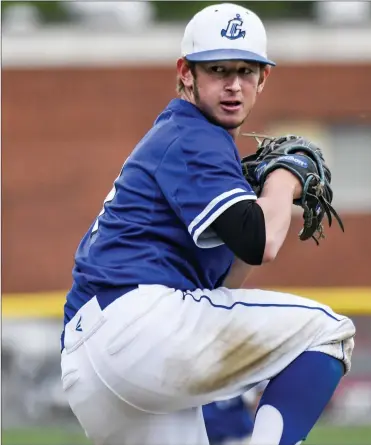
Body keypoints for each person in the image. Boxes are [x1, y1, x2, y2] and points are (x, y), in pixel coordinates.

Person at [60, 3, 356, 444]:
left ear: (263, 79)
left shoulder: (189, 146)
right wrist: (283, 178)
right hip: (138, 325)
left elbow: (230, 279)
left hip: (94, 363)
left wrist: (264, 196)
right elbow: (262, 243)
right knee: (329, 333)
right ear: (186, 73)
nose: (233, 85)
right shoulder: (194, 133)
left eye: (246, 71)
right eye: (217, 70)